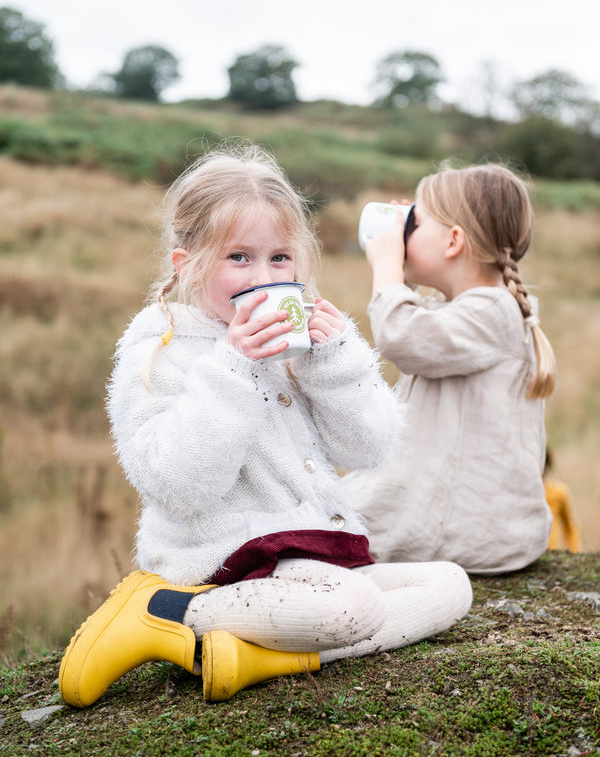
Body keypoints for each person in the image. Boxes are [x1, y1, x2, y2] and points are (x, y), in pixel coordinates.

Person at [59, 143, 472, 707]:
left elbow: (371, 446)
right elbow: (177, 484)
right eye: (239, 258)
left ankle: (256, 655)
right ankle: (160, 610)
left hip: (306, 554)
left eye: (280, 258)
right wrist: (235, 366)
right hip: (219, 564)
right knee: (351, 606)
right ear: (189, 265)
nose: (263, 275)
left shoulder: (296, 343)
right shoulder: (159, 348)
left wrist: (334, 360)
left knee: (450, 584)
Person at [342, 161, 557, 575]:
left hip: (463, 531)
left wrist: (387, 264)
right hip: (479, 526)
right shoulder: (479, 310)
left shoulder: (492, 311)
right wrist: (407, 258)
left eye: (414, 224)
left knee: (315, 520)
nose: (403, 234)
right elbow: (423, 333)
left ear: (454, 241)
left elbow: (401, 336)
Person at [544, 447, 582, 552]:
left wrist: (575, 552)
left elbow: (571, 528)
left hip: (551, 555)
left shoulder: (559, 493)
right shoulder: (524, 495)